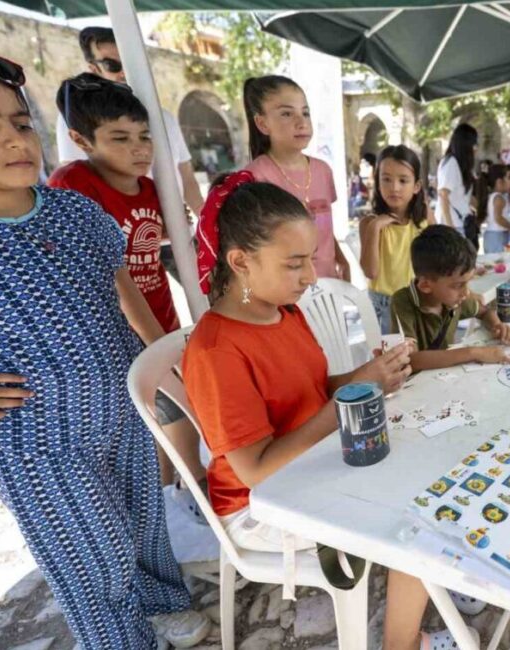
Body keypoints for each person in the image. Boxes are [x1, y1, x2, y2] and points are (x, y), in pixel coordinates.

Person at [0, 43, 210, 648]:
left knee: (145, 522)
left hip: (122, 404)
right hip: (30, 438)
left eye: (21, 123)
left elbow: (128, 295)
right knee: (92, 557)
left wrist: (165, 364)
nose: (13, 138)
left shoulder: (76, 212)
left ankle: (163, 603)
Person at [182, 173, 474, 650]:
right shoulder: (217, 350)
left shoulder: (284, 311)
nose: (311, 277)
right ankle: (403, 640)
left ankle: (433, 576)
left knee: (431, 456)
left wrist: (368, 375)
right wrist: (347, 398)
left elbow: (312, 390)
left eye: (310, 259)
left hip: (310, 458)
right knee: (415, 513)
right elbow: (254, 471)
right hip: (260, 504)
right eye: (294, 263)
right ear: (240, 262)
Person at [47, 73, 209, 517]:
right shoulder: (74, 185)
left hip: (160, 318)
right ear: (81, 140)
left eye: (144, 137)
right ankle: (169, 492)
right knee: (148, 414)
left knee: (172, 407)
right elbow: (116, 280)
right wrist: (159, 343)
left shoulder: (152, 189)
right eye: (120, 138)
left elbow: (162, 248)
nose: (139, 149)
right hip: (114, 333)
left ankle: (182, 484)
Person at [58, 27, 204, 215]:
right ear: (94, 69)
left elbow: (187, 179)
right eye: (112, 65)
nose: (123, 72)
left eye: (129, 63)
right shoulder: (77, 119)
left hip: (174, 229)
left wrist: (206, 224)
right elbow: (75, 187)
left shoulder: (165, 118)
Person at [243, 75, 351, 281]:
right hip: (285, 287)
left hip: (328, 283)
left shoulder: (323, 170)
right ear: (262, 123)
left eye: (305, 113)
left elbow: (325, 228)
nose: (301, 122)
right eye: (286, 113)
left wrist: (341, 258)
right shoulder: (255, 176)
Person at [390, 225, 510, 371]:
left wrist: (497, 325)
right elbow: (410, 360)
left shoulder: (455, 299)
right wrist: (474, 353)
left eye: (468, 282)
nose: (466, 293)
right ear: (425, 285)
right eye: (458, 285)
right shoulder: (402, 302)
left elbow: (484, 312)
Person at [361, 145, 435, 334]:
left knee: (422, 351)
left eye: (403, 180)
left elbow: (438, 259)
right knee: (393, 353)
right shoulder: (370, 223)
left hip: (419, 299)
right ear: (377, 182)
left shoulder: (424, 217)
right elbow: (371, 272)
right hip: (385, 304)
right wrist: (375, 228)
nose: (394, 188)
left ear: (416, 186)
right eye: (386, 179)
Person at [437, 123, 477, 239]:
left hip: (460, 223)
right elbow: (443, 195)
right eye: (474, 144)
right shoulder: (451, 163)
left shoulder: (456, 164)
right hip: (452, 226)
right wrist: (451, 228)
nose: (475, 148)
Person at [481, 163, 510, 253]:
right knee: (498, 260)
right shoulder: (499, 198)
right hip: (497, 236)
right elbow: (498, 218)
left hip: (493, 235)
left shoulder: (494, 196)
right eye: (509, 178)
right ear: (499, 182)